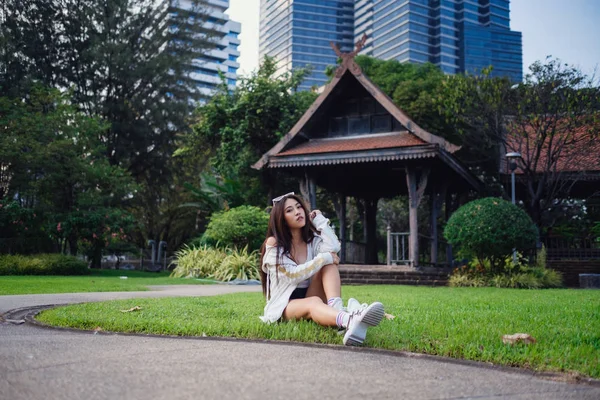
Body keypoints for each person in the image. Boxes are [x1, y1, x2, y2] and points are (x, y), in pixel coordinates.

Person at [259, 192, 384, 346]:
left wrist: (320, 220)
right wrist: (324, 258)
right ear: (281, 219)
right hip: (284, 306)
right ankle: (348, 320)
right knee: (314, 299)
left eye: (299, 207)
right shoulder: (274, 243)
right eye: (289, 210)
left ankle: (337, 312)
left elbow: (334, 248)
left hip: (311, 294)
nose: (298, 212)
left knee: (328, 264)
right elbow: (292, 276)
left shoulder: (312, 241)